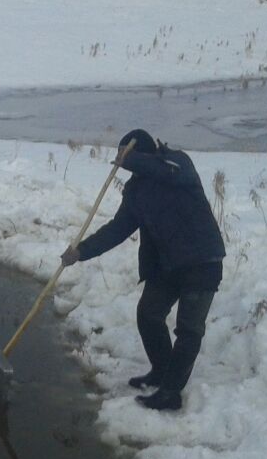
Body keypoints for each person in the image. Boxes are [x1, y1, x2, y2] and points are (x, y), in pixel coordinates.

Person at [60, 129, 225, 412]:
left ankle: (171, 393)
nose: (125, 165)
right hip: (168, 265)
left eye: (130, 157)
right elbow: (118, 229)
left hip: (201, 261)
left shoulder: (177, 164)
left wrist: (130, 158)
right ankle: (161, 371)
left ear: (144, 155)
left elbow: (162, 170)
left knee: (188, 330)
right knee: (148, 314)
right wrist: (81, 251)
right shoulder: (136, 190)